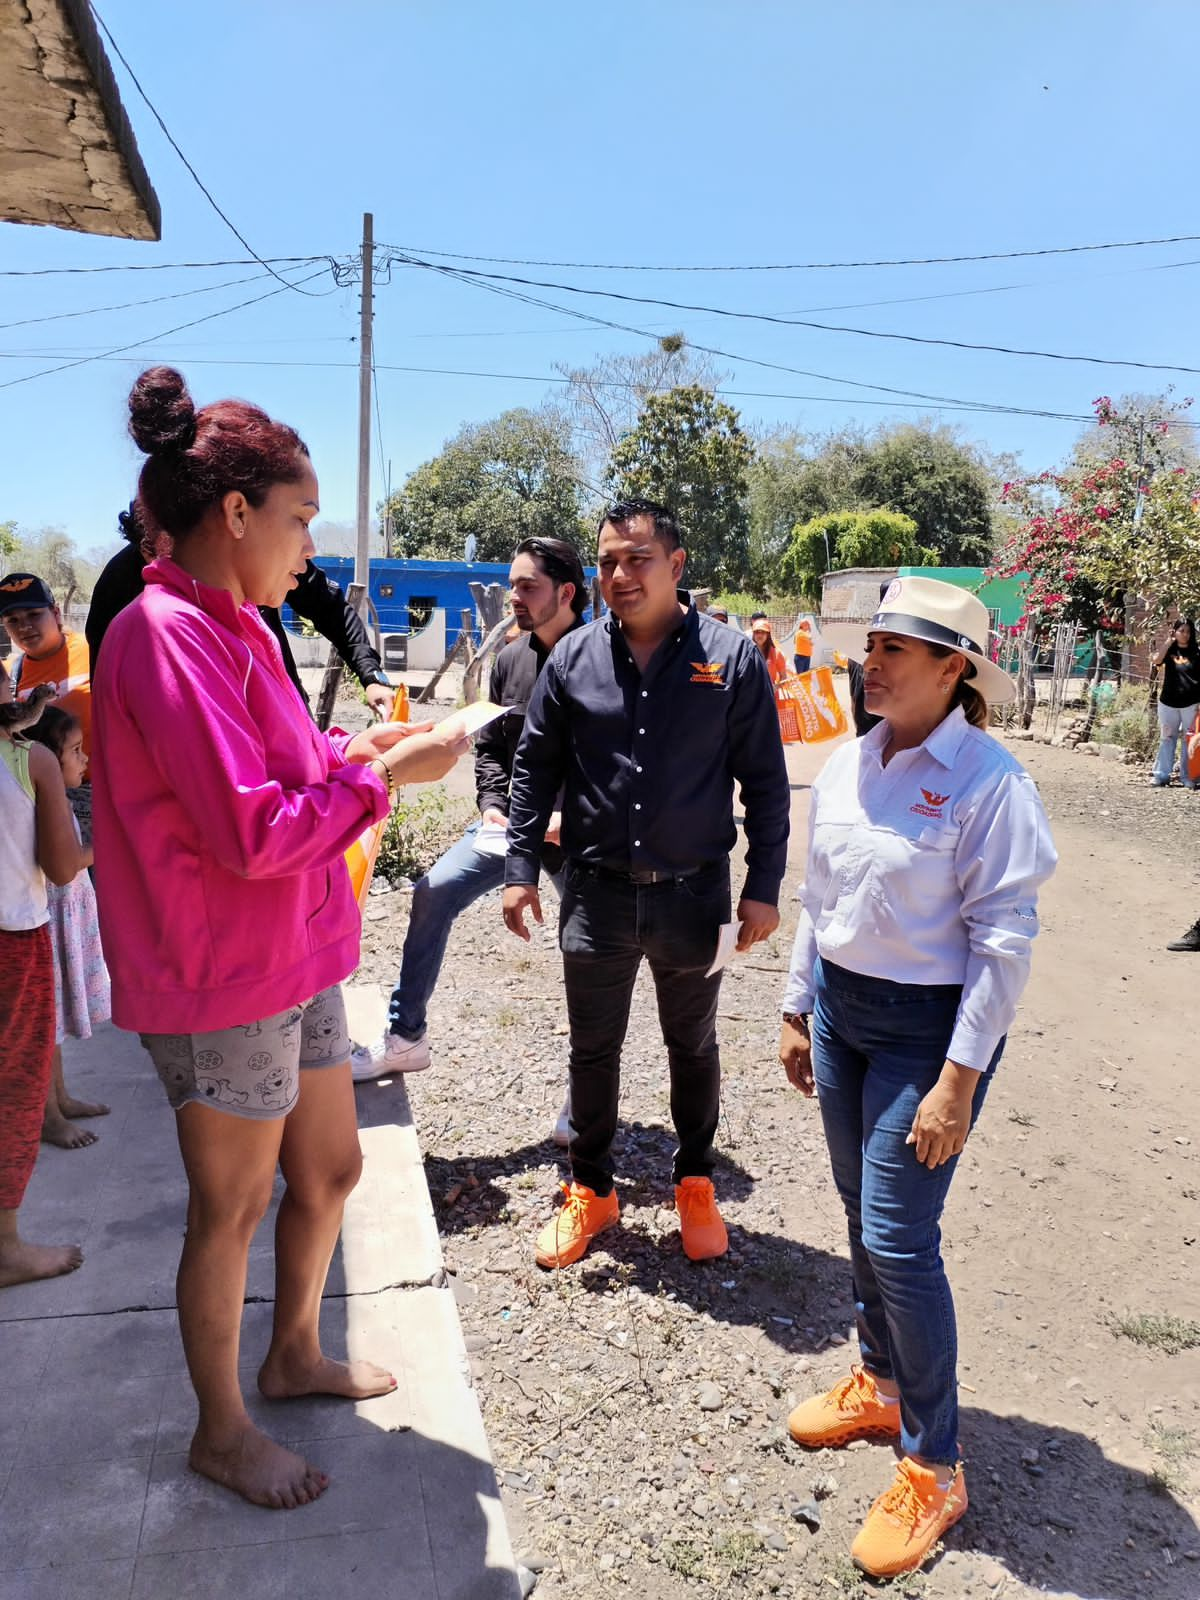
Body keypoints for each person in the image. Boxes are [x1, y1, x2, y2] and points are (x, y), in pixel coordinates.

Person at [91, 366, 470, 1510]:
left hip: (288, 952)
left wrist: (361, 759)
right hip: (222, 971)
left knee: (334, 1167)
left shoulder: (242, 626)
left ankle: (294, 1349)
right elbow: (253, 829)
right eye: (300, 518)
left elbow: (292, 774)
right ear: (237, 511)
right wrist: (384, 783)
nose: (310, 545)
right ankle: (222, 1427)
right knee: (233, 1206)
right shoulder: (163, 634)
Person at [777, 575, 1057, 1579]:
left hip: (926, 1035)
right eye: (873, 643)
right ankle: (882, 1377)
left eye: (898, 648)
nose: (873, 661)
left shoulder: (988, 782)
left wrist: (959, 1080)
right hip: (847, 1016)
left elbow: (1004, 941)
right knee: (860, 1213)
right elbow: (819, 896)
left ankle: (935, 1460)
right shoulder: (852, 762)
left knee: (898, 1234)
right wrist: (797, 1004)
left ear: (954, 670)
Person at [503, 499, 790, 1269]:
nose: (620, 576)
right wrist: (519, 867)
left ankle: (694, 1181)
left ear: (676, 565)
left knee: (691, 1044)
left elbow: (765, 780)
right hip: (593, 894)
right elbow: (534, 769)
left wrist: (763, 886)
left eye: (637, 559)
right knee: (593, 1052)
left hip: (693, 897)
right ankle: (591, 1191)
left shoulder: (728, 660)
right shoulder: (571, 660)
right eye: (607, 563)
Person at [352, 536, 587, 1147]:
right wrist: (491, 807)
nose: (513, 596)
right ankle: (405, 1037)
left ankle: (585, 1098)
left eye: (527, 585)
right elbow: (490, 748)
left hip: (579, 836)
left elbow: (620, 764)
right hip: (510, 826)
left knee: (588, 957)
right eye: (512, 584)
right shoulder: (510, 660)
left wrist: (569, 820)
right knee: (432, 891)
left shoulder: (606, 661)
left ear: (566, 592)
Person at [86, 502, 395, 719]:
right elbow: (108, 694)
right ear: (146, 548)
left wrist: (371, 674)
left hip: (285, 718)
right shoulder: (120, 590)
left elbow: (330, 607)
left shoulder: (250, 557)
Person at [0, 659, 89, 1287]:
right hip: (12, 940)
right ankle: (5, 1246)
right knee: (14, 1088)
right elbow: (60, 867)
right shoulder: (29, 760)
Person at [25, 707, 111, 1149]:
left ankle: (60, 1097)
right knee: (44, 1029)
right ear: (43, 760)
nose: (84, 761)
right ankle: (49, 1117)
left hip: (63, 921)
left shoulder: (55, 798)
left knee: (52, 1025)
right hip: (47, 922)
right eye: (75, 752)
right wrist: (107, 845)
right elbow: (62, 865)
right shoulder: (40, 801)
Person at [0, 571, 94, 836]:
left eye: (33, 615)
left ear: (55, 613)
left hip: (100, 795)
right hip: (38, 803)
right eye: (12, 620)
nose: (24, 626)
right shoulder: (9, 675)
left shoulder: (95, 651)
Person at [1150, 618, 1199, 789]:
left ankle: (1187, 777)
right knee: (1167, 738)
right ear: (1175, 632)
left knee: (1189, 740)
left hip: (1190, 704)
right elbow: (1156, 661)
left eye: (1188, 631)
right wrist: (1168, 641)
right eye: (1181, 631)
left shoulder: (1196, 652)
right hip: (1168, 703)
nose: (1185, 634)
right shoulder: (1170, 650)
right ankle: (1161, 775)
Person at [749, 617, 789, 686]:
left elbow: (784, 676)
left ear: (768, 634)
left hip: (770, 695)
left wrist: (776, 688)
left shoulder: (776, 653)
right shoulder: (747, 652)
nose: (760, 635)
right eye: (757, 632)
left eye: (763, 632)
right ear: (753, 634)